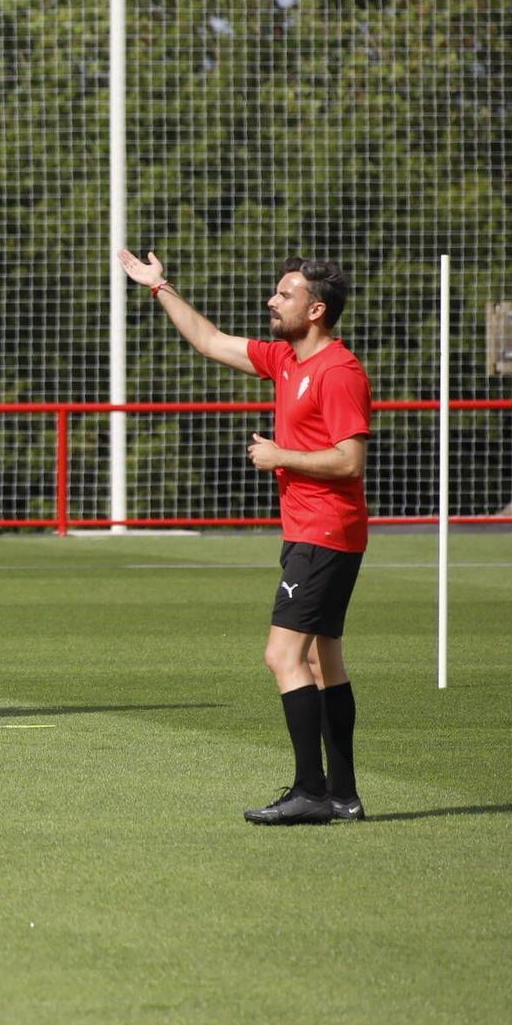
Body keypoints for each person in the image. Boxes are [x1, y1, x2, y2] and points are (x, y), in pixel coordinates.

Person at [118, 249, 371, 825]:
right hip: (314, 532)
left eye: (284, 294)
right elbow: (209, 340)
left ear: (316, 309)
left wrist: (279, 454)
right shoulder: (284, 358)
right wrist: (161, 288)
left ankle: (310, 790)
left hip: (325, 531)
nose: (271, 301)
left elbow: (350, 460)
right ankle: (343, 793)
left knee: (282, 656)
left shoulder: (338, 371)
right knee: (324, 658)